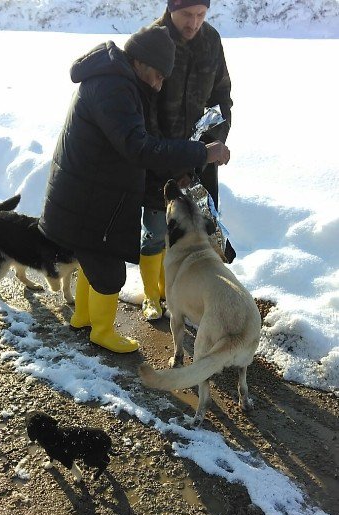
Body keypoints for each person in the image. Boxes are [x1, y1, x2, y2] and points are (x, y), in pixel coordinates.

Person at [39, 25, 230, 353]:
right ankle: (101, 331)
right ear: (140, 62)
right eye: (157, 76)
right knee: (108, 267)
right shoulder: (114, 87)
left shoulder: (115, 78)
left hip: (88, 191)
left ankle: (83, 317)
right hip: (90, 195)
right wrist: (201, 152)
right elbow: (138, 147)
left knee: (93, 256)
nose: (158, 86)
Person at [139, 0, 234, 321]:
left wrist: (216, 140)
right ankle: (152, 296)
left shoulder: (211, 41)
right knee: (155, 230)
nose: (194, 23)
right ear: (171, 9)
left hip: (199, 160)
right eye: (187, 15)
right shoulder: (153, 40)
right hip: (159, 161)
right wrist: (174, 165)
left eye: (201, 15)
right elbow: (143, 111)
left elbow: (222, 96)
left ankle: (179, 294)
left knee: (193, 233)